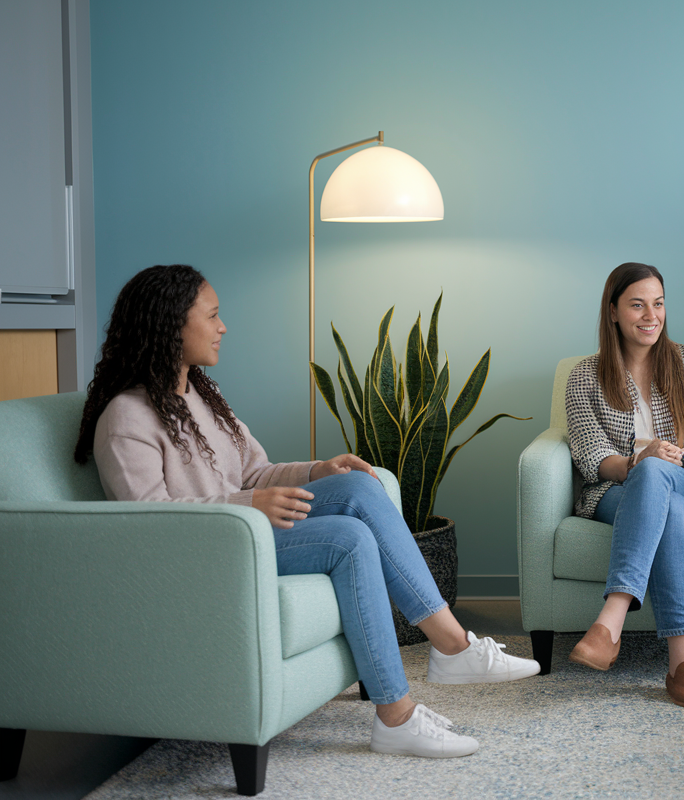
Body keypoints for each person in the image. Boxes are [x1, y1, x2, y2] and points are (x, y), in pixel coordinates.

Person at [74, 264, 541, 760]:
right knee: (347, 538)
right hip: (206, 550)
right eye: (212, 316)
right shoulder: (126, 416)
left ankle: (439, 663)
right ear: (168, 325)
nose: (223, 327)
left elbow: (255, 472)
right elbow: (146, 519)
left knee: (358, 487)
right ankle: (423, 686)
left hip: (245, 532)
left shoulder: (200, 397)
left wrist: (318, 469)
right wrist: (247, 504)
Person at [564, 262, 684, 710]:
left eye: (658, 304)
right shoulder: (585, 376)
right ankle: (683, 662)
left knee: (661, 475)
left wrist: (674, 457)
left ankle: (612, 617)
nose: (650, 315)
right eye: (637, 305)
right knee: (667, 506)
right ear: (613, 313)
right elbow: (590, 457)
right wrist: (638, 463)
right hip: (617, 492)